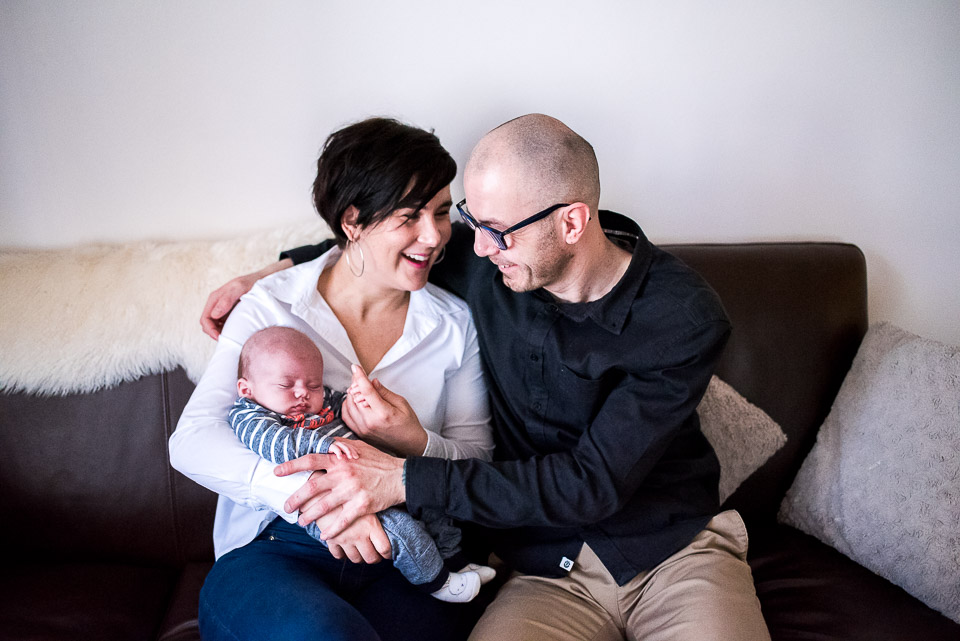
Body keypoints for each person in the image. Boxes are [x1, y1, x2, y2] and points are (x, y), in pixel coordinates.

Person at [202, 114, 771, 641]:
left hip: (673, 550)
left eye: (492, 228)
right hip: (546, 570)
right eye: (468, 218)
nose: (467, 246)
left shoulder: (682, 316)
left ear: (572, 223)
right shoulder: (495, 258)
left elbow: (591, 483)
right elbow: (376, 238)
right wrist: (273, 269)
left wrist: (403, 477)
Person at [170, 117, 495, 641]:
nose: (434, 237)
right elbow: (191, 441)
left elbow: (477, 463)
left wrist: (413, 441)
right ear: (352, 221)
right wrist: (322, 500)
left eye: (440, 213)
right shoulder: (273, 306)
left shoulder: (453, 325)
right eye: (410, 216)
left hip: (409, 555)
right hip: (276, 549)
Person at [230, 325, 494, 602]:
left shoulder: (321, 404)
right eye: (286, 385)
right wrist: (324, 445)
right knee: (403, 530)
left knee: (429, 499)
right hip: (337, 501)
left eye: (313, 384)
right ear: (246, 388)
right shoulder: (251, 415)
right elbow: (274, 443)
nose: (303, 394)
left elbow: (340, 402)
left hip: (377, 478)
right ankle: (438, 582)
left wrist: (360, 401)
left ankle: (456, 560)